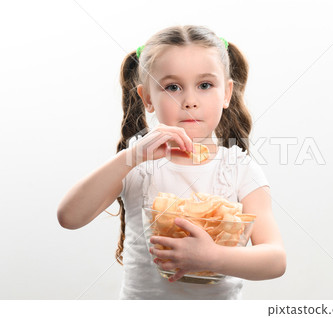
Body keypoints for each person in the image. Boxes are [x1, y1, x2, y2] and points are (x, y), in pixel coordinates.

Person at [57, 25, 286, 300]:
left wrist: (214, 258)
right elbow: (69, 217)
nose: (189, 101)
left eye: (205, 85)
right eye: (172, 87)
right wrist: (130, 157)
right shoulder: (137, 164)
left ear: (226, 94)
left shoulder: (240, 169)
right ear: (147, 98)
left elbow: (275, 260)